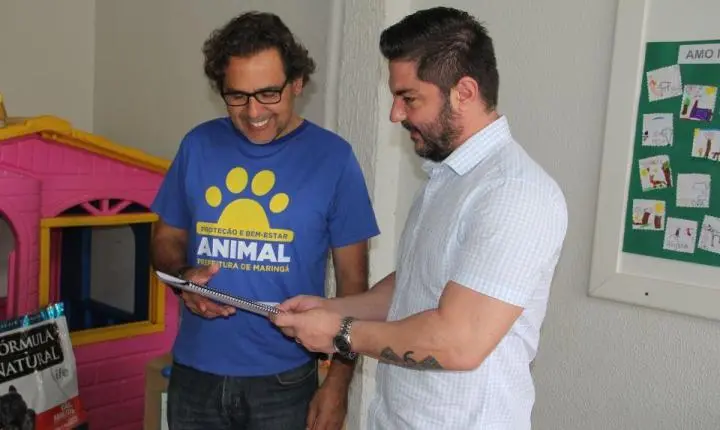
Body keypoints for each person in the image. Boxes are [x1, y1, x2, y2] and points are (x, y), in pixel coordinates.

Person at [272, 6, 568, 430]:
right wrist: (331, 308)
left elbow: (458, 341)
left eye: (409, 98)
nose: (395, 114)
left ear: (464, 92)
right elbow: (417, 285)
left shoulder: (514, 193)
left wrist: (340, 331)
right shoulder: (446, 177)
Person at [150, 11, 380, 430]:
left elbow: (354, 287)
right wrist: (184, 279)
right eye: (237, 96)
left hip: (285, 382)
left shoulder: (334, 159)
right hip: (195, 376)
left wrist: (338, 385)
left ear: (298, 83)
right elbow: (165, 239)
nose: (253, 111)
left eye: (268, 93)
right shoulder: (198, 145)